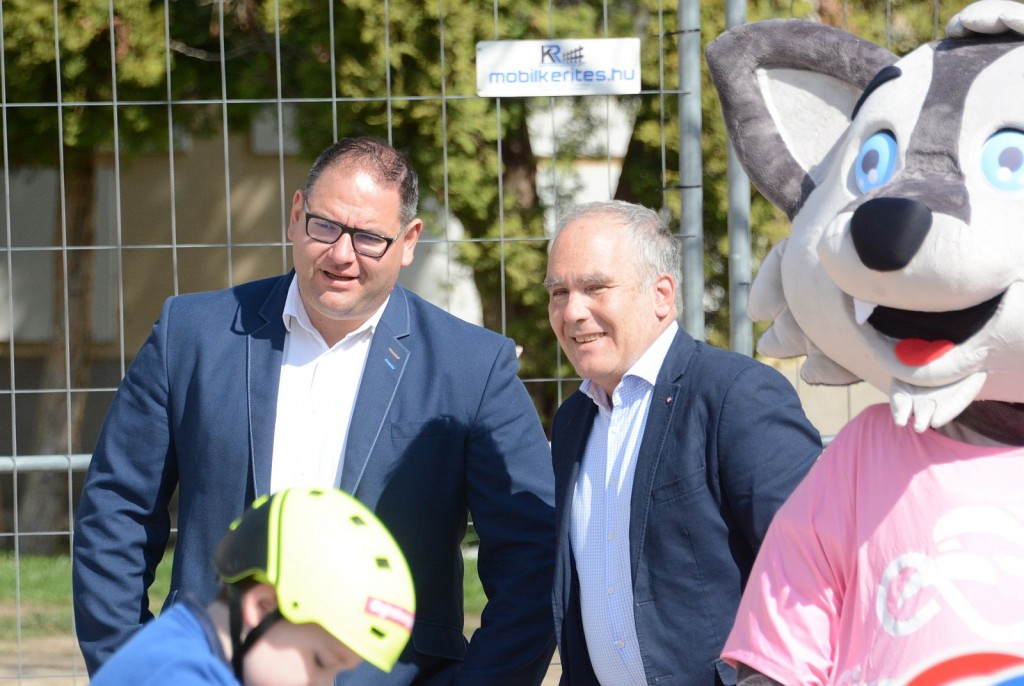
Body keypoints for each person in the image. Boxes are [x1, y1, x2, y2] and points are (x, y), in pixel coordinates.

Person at [73, 136, 557, 685]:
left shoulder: (471, 367)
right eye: (325, 226)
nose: (342, 254)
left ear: (408, 241)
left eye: (370, 237)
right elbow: (115, 514)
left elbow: (532, 556)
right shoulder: (191, 337)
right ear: (296, 215)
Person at [543, 200, 822, 686]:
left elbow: (816, 569)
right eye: (558, 292)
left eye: (595, 288)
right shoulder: (573, 421)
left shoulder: (735, 395)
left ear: (661, 295)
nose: (572, 312)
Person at [90, 487, 415, 686]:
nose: (324, 684)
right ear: (262, 607)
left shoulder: (183, 647)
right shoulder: (177, 676)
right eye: (320, 661)